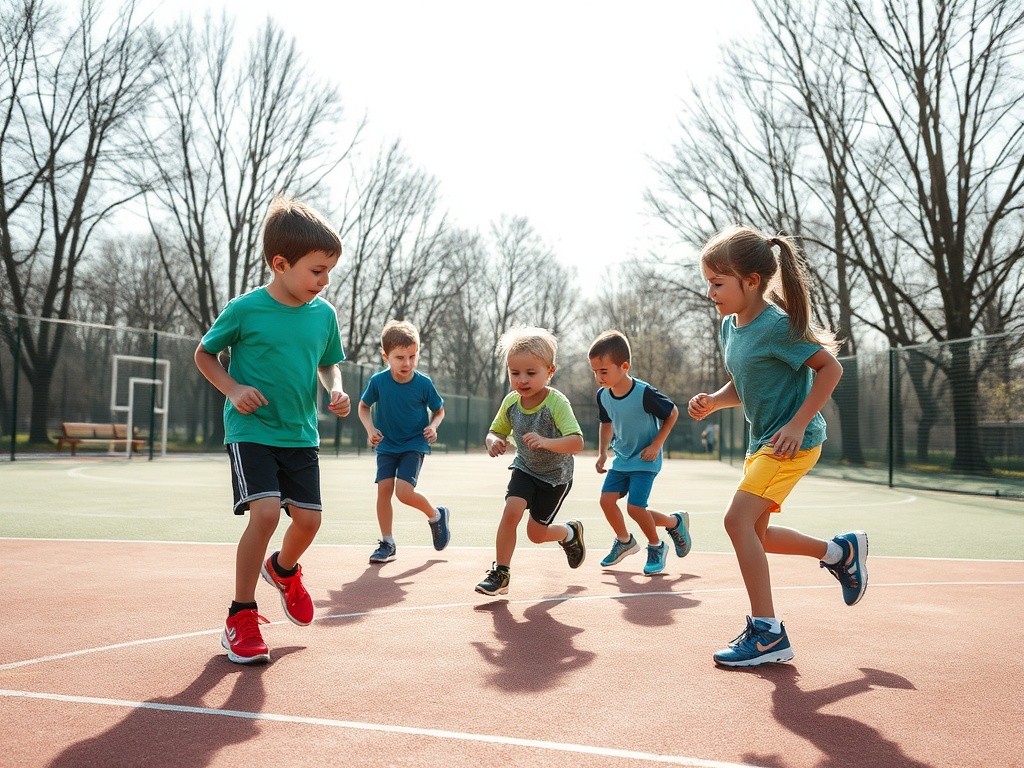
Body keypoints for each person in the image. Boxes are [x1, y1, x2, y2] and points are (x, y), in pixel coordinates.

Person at [688, 226, 868, 668]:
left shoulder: (776, 325)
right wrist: (715, 401)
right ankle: (839, 552)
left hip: (793, 443)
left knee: (736, 522)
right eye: (708, 282)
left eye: (717, 283)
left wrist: (797, 422)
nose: (709, 292)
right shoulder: (731, 327)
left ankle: (767, 632)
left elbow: (830, 369)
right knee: (759, 535)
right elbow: (747, 381)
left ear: (751, 281)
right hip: (763, 443)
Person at [194, 196, 351, 665]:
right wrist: (233, 387)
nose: (324, 282)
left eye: (329, 272)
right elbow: (205, 355)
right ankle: (240, 616)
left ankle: (283, 570)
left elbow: (328, 365)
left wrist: (336, 390)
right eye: (317, 271)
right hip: (251, 429)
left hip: (299, 433)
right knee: (263, 514)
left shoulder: (323, 315)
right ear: (280, 264)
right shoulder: (245, 310)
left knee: (309, 521)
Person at [475, 327, 586, 596]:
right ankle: (501, 573)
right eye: (515, 373)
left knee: (536, 534)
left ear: (550, 372)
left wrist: (546, 442)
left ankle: (569, 533)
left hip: (555, 477)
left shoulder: (556, 404)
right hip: (524, 469)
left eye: (531, 373)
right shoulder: (511, 402)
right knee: (511, 511)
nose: (521, 380)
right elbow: (494, 431)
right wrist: (493, 442)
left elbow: (577, 442)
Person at [589, 330, 692, 575]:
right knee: (606, 501)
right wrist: (603, 453)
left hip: (646, 460)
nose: (598, 377)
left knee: (635, 508)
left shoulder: (644, 393)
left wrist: (656, 445)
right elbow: (606, 424)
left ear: (624, 366)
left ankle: (656, 546)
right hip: (621, 459)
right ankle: (629, 540)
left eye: (603, 371)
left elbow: (672, 413)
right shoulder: (603, 396)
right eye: (594, 371)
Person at [358, 319, 451, 563]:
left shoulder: (423, 383)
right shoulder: (378, 382)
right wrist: (370, 430)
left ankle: (435, 515)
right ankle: (387, 543)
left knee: (404, 493)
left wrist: (433, 425)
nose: (407, 363)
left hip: (413, 443)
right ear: (385, 356)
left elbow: (439, 410)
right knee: (383, 492)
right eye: (400, 357)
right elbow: (363, 407)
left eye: (412, 356)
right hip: (387, 445)